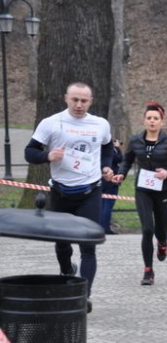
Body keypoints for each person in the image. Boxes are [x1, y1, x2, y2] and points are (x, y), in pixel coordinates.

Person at [24, 81, 114, 310]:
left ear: (90, 101)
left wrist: (105, 166)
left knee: (88, 246)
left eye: (84, 101)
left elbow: (107, 147)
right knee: (62, 243)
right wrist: (47, 156)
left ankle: (84, 295)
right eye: (75, 99)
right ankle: (66, 269)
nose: (79, 105)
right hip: (61, 192)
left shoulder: (100, 124)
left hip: (90, 192)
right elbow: (30, 152)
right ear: (66, 98)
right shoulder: (51, 123)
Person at [112, 102, 167, 285]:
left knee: (160, 230)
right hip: (143, 190)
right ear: (144, 121)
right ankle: (148, 270)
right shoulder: (136, 140)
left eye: (156, 118)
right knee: (147, 229)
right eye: (149, 118)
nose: (152, 121)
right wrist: (121, 173)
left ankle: (162, 242)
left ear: (162, 122)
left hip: (163, 191)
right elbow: (126, 161)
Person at [100, 138, 124, 234]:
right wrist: (117, 148)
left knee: (103, 204)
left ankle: (102, 226)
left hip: (105, 179)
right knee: (107, 204)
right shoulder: (109, 150)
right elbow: (119, 158)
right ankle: (105, 227)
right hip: (109, 179)